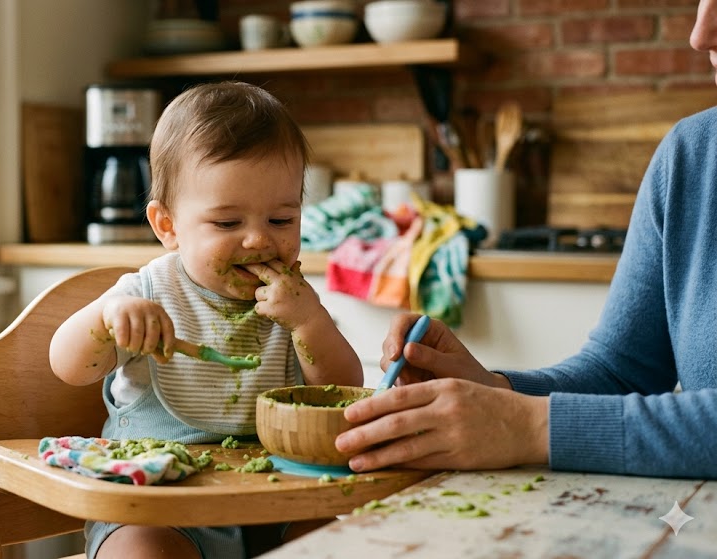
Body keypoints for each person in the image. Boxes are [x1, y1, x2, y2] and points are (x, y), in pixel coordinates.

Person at [336, 0, 717, 481]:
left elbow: (536, 427)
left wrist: (528, 427)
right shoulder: (691, 156)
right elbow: (621, 373)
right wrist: (497, 392)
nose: (701, 35)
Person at [50, 81, 364, 559]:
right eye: (227, 223)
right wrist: (107, 318)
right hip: (157, 506)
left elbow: (343, 392)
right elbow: (68, 366)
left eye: (281, 221)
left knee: (333, 542)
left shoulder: (294, 303)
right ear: (167, 226)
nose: (259, 240)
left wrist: (309, 323)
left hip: (272, 505)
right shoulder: (146, 295)